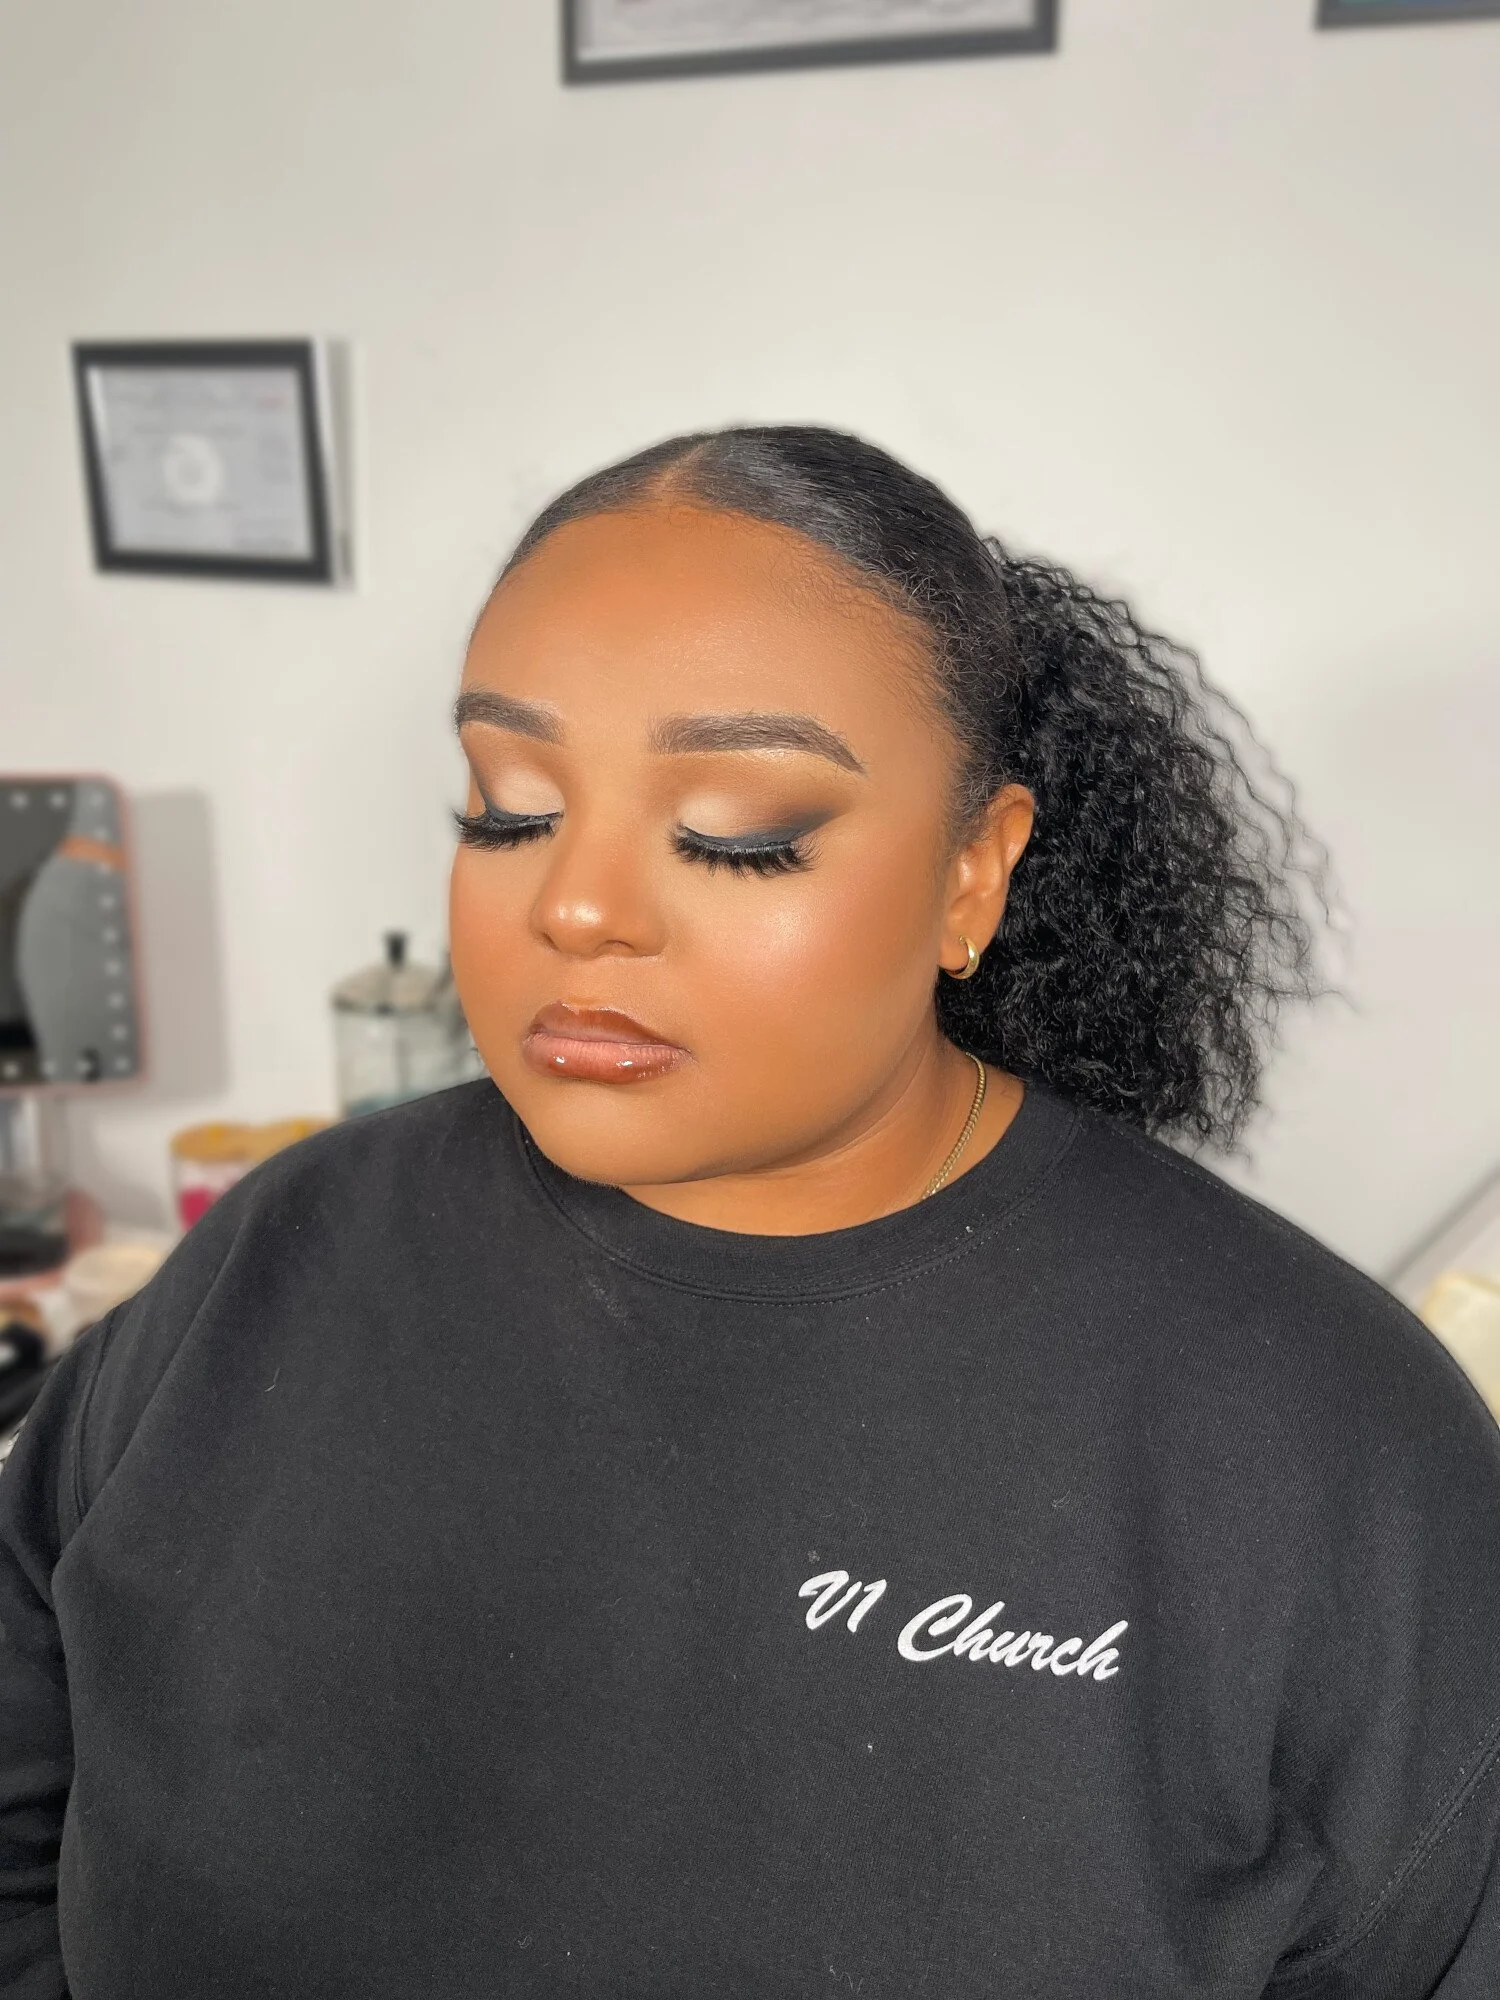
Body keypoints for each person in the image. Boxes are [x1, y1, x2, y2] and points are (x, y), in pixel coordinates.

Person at [2, 425, 1497, 1999]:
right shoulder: (286, 1247)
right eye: (507, 809)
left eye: (737, 835)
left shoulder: (1321, 1442)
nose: (573, 906)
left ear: (973, 875)